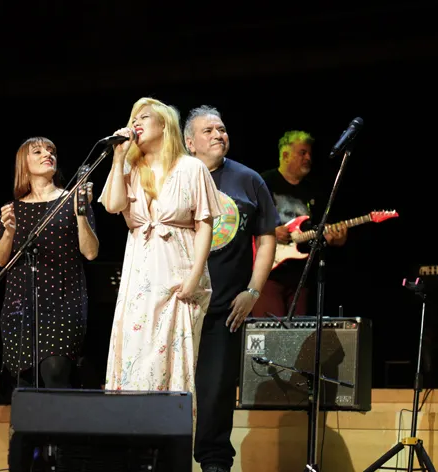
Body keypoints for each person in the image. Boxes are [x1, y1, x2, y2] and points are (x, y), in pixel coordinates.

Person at [99, 97, 223, 428]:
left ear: (164, 125)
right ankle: (131, 437)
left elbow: (205, 225)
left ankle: (170, 439)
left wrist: (194, 277)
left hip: (178, 276)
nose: (136, 123)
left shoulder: (191, 168)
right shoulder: (130, 169)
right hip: (140, 278)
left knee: (173, 362)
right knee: (135, 357)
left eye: (144, 117)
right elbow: (112, 206)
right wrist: (118, 158)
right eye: (133, 118)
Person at [183, 105, 279, 472]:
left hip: (226, 307)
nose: (218, 135)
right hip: (179, 304)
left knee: (217, 391)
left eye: (221, 129)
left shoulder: (248, 180)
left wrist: (253, 291)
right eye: (208, 131)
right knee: (173, 387)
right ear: (189, 142)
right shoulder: (176, 177)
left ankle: (214, 462)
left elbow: (267, 239)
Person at [0, 136, 99, 391]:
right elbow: (0, 259)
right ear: (24, 163)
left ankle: (61, 419)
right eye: (38, 151)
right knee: (23, 382)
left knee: (55, 372)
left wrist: (81, 212)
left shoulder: (73, 199)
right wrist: (9, 232)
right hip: (21, 304)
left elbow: (90, 252)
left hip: (64, 301)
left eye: (51, 151)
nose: (47, 154)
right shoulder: (13, 208)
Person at [252, 130, 347, 319]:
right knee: (269, 331)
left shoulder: (314, 191)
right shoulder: (263, 182)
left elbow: (319, 230)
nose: (308, 158)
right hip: (267, 275)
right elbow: (244, 220)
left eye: (310, 153)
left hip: (301, 278)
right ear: (285, 154)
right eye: (302, 153)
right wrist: (269, 231)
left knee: (297, 333)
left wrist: (334, 238)